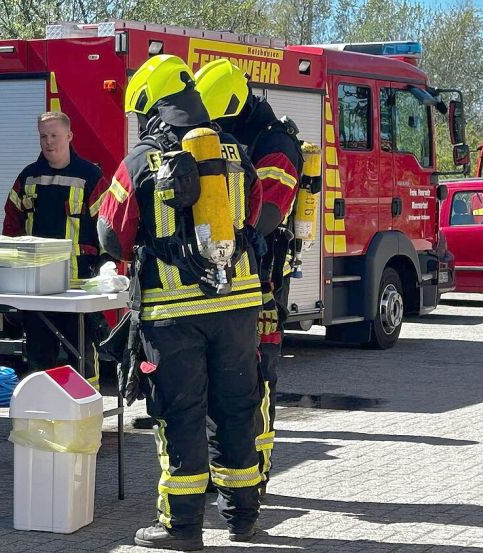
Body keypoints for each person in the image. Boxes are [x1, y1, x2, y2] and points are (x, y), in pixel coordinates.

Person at [98, 54, 265, 551]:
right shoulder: (233, 152)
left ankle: (181, 526)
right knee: (237, 408)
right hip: (236, 305)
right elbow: (253, 213)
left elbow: (110, 234)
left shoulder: (139, 162)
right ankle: (242, 517)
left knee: (180, 413)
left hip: (174, 317)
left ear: (149, 103)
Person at [195, 59, 304, 498]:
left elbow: (267, 216)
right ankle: (217, 476)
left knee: (255, 383)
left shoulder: (276, 146)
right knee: (213, 384)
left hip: (262, 285)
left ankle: (253, 478)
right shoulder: (237, 137)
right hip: (228, 283)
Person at [2, 112, 109, 385]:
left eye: (54, 136)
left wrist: (107, 265)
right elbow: (12, 226)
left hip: (79, 285)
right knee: (39, 353)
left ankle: (89, 415)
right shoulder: (28, 177)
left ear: (69, 136)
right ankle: (44, 416)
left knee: (83, 353)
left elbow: (108, 227)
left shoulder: (90, 176)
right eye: (43, 136)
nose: (48, 142)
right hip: (36, 286)